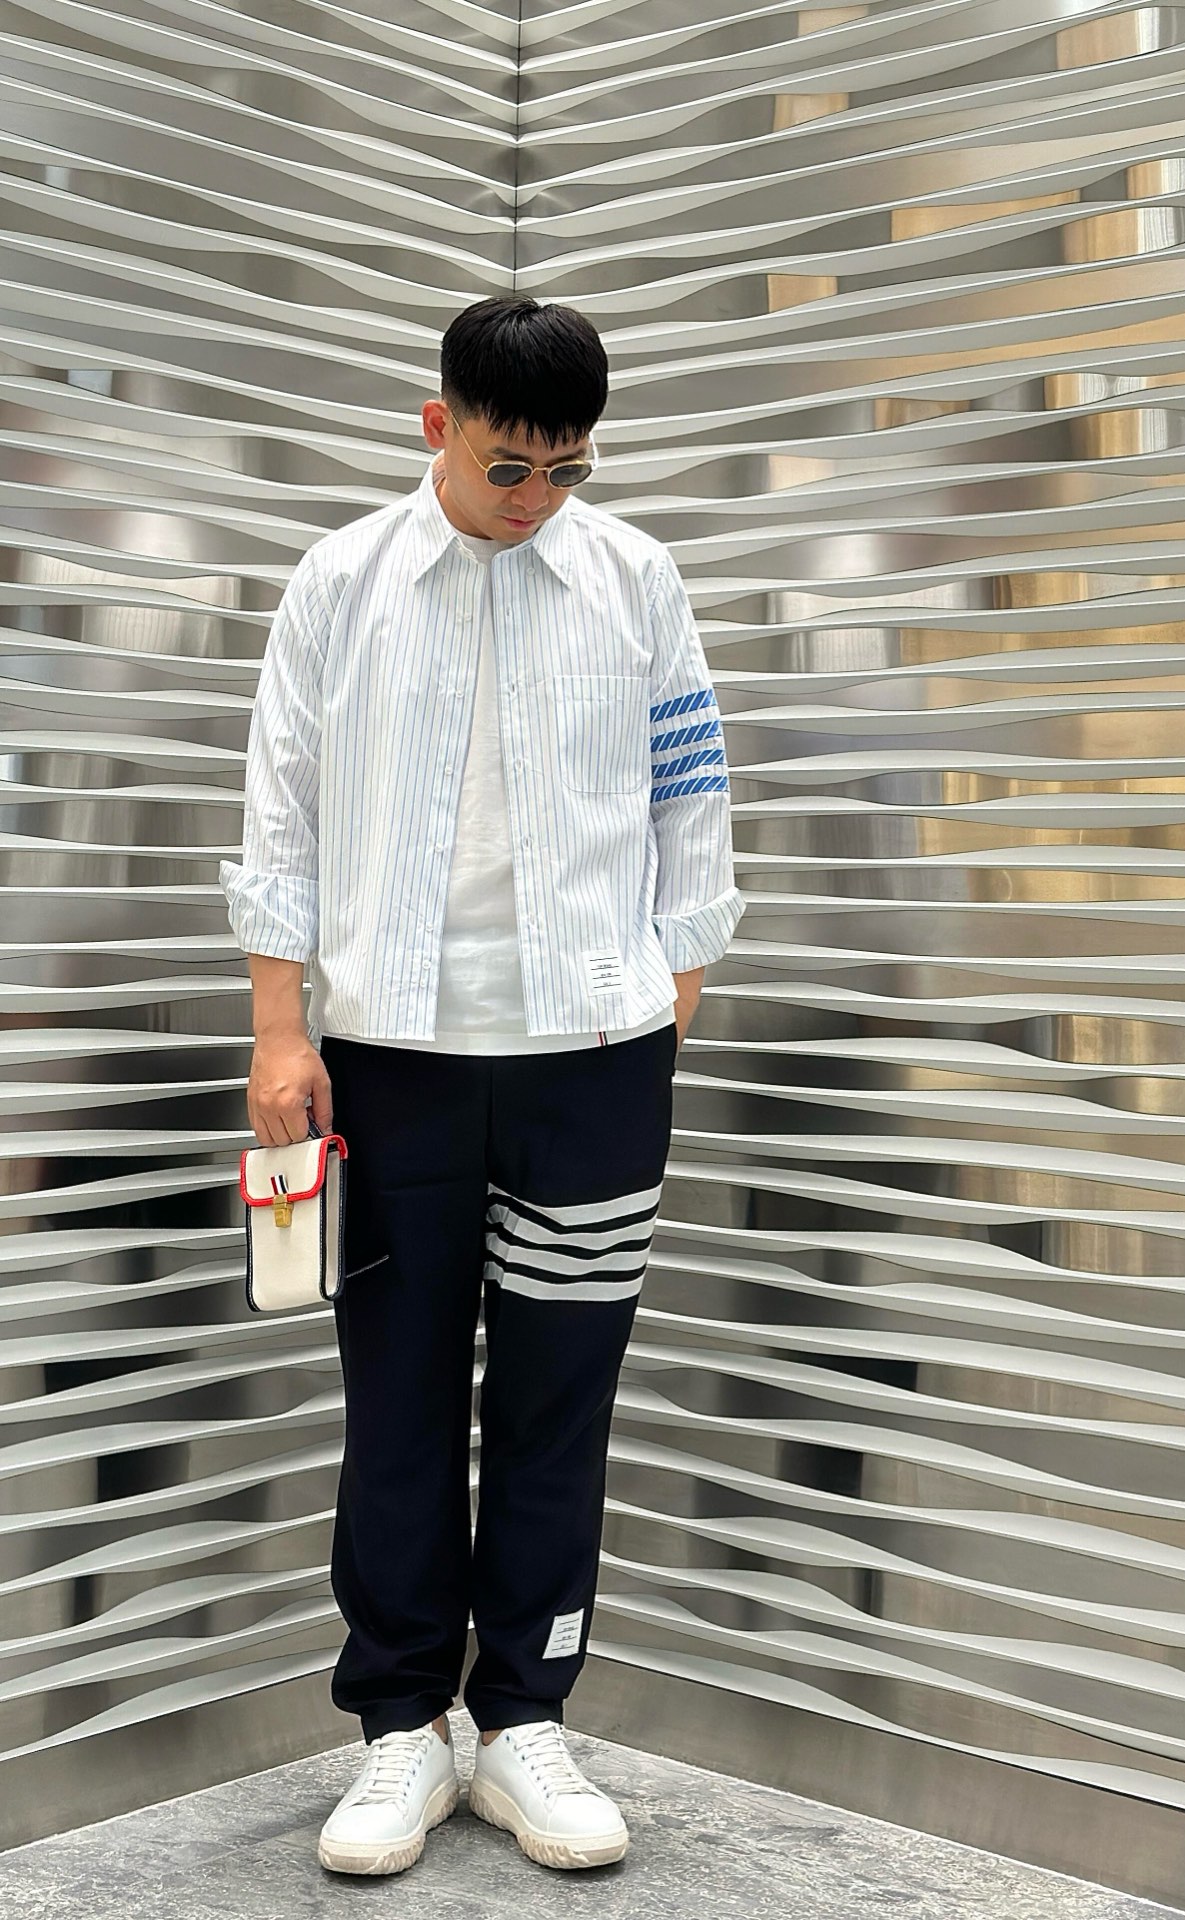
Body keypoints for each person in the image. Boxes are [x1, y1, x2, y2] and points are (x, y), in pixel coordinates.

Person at [219, 295, 744, 1878]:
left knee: (557, 1404)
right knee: (395, 1401)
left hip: (595, 1063)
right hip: (392, 1062)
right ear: (438, 427)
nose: (537, 500)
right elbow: (282, 807)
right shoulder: (342, 583)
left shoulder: (636, 578)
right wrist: (280, 1029)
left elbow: (692, 795)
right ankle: (400, 1725)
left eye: (568, 472)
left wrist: (668, 996)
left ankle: (522, 1719)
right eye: (511, 467)